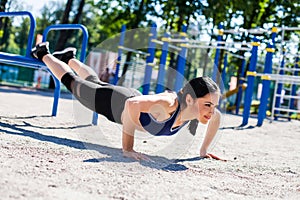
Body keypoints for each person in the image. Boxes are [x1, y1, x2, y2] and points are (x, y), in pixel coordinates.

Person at [31, 42, 223, 161]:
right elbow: (132, 105)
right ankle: (42, 53)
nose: (211, 111)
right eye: (207, 105)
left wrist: (203, 150)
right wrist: (128, 149)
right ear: (190, 98)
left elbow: (216, 118)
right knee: (74, 84)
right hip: (115, 104)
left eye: (213, 105)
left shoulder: (196, 110)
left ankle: (68, 58)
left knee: (95, 83)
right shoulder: (169, 104)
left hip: (128, 96)